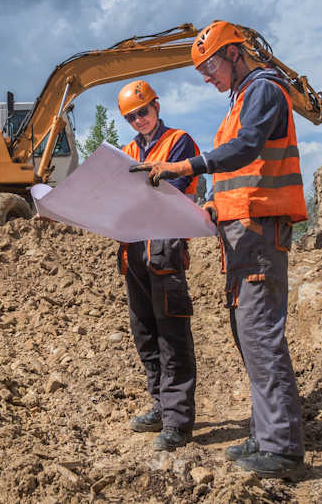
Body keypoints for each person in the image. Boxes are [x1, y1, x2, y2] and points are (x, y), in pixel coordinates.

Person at [130, 21, 308, 478]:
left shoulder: (264, 90)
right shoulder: (240, 100)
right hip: (241, 238)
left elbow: (246, 150)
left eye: (208, 66)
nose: (206, 77)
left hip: (260, 233)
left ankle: (281, 448)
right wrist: (209, 206)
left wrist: (186, 165)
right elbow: (235, 175)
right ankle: (267, 433)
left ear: (234, 54)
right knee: (248, 336)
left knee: (261, 336)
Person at [116, 79, 201, 452]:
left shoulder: (179, 142)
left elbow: (176, 188)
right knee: (145, 333)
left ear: (157, 107)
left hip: (164, 248)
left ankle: (178, 421)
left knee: (172, 336)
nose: (139, 120)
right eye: (131, 116)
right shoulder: (125, 151)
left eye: (143, 112)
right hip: (133, 250)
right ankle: (160, 407)